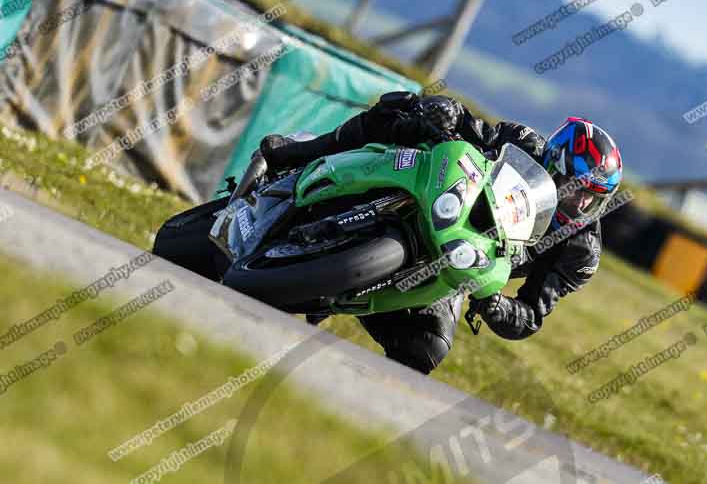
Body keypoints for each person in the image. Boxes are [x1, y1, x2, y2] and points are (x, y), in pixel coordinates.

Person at [259, 92, 623, 374]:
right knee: (401, 110)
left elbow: (531, 315)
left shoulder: (580, 249)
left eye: (592, 199)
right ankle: (301, 153)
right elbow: (470, 125)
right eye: (576, 189)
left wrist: (498, 307)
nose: (579, 205)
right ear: (552, 163)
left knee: (428, 348)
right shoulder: (521, 145)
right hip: (438, 196)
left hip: (455, 263)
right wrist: (446, 110)